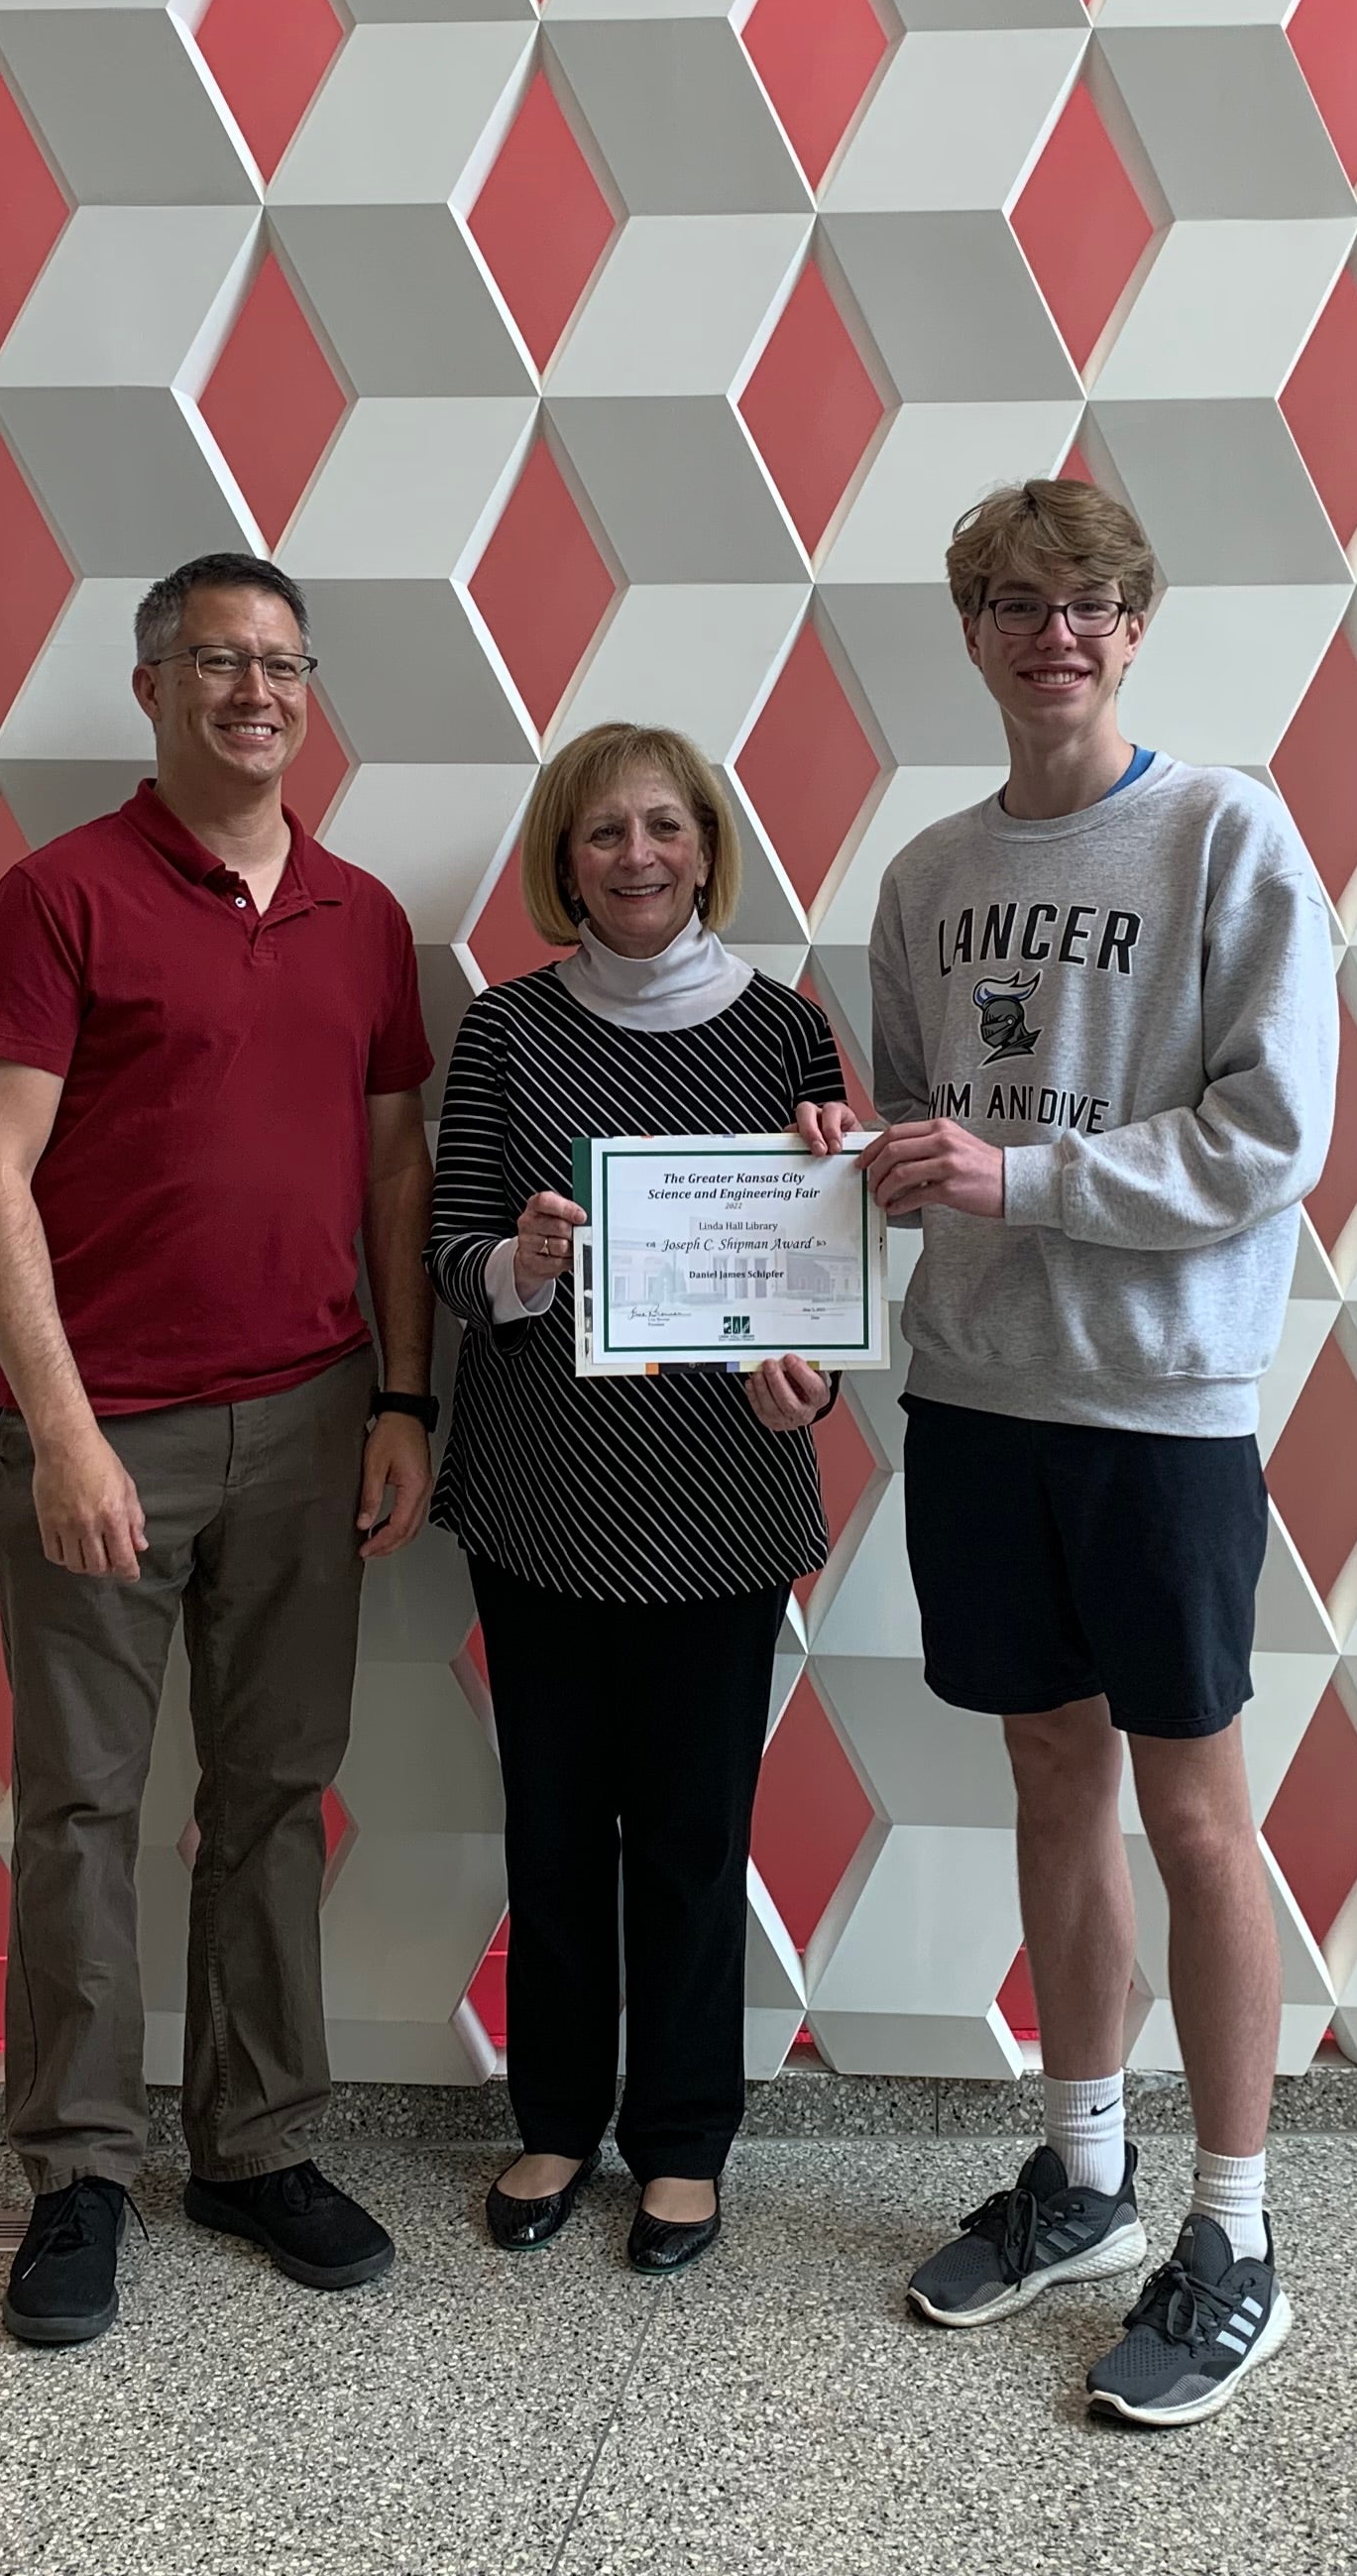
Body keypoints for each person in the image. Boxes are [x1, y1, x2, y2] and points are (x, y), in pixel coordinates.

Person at [803, 480, 1334, 2427]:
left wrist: (1015, 1170)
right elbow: (924, 1142)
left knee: (1198, 1816)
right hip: (982, 1399)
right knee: (1051, 1779)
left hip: (1160, 1410)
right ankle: (1089, 2175)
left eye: (1096, 600)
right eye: (1022, 603)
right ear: (972, 627)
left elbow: (1272, 1137)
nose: (1061, 633)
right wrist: (835, 1199)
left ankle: (1240, 2235)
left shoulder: (1223, 835)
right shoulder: (933, 873)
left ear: (1138, 623)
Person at [0, 548, 441, 2349]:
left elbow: (395, 1167)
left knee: (274, 1800)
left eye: (285, 665)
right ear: (150, 689)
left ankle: (254, 2146)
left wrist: (400, 1396)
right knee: (79, 1807)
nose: (257, 693)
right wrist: (66, 1435)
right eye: (219, 662)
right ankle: (79, 2172)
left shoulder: (365, 918)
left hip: (314, 1421)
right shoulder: (57, 898)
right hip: (105, 1433)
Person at [428, 725, 848, 2275]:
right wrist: (523, 1267)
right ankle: (553, 2119)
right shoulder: (507, 1032)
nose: (636, 856)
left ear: (705, 845)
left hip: (724, 1497)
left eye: (663, 826)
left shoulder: (791, 1035)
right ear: (564, 858)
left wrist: (812, 1374)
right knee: (552, 1830)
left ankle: (683, 2141)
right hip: (546, 1497)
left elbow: (828, 1267)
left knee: (690, 1831)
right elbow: (448, 1254)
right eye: (602, 832)